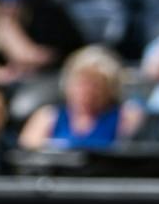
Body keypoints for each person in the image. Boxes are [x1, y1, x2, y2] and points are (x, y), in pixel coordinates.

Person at [17, 45, 145, 149]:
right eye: (82, 84)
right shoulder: (48, 117)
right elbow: (27, 150)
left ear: (110, 90)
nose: (88, 91)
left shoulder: (125, 116)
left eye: (96, 86)